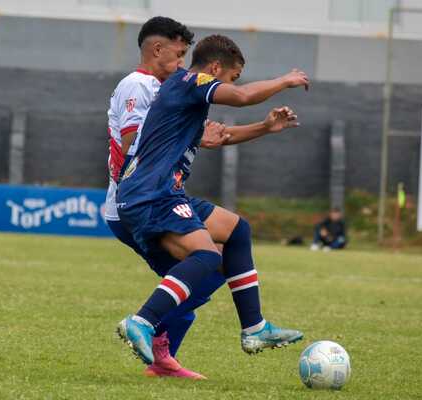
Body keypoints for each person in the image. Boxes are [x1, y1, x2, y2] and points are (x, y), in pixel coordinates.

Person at [115, 34, 310, 366]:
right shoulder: (192, 80)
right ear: (216, 68)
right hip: (153, 193)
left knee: (236, 230)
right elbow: (244, 96)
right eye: (232, 76)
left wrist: (265, 127)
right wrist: (285, 80)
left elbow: (223, 135)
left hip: (159, 192)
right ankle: (142, 322)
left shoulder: (185, 99)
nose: (234, 84)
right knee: (205, 257)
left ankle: (255, 328)